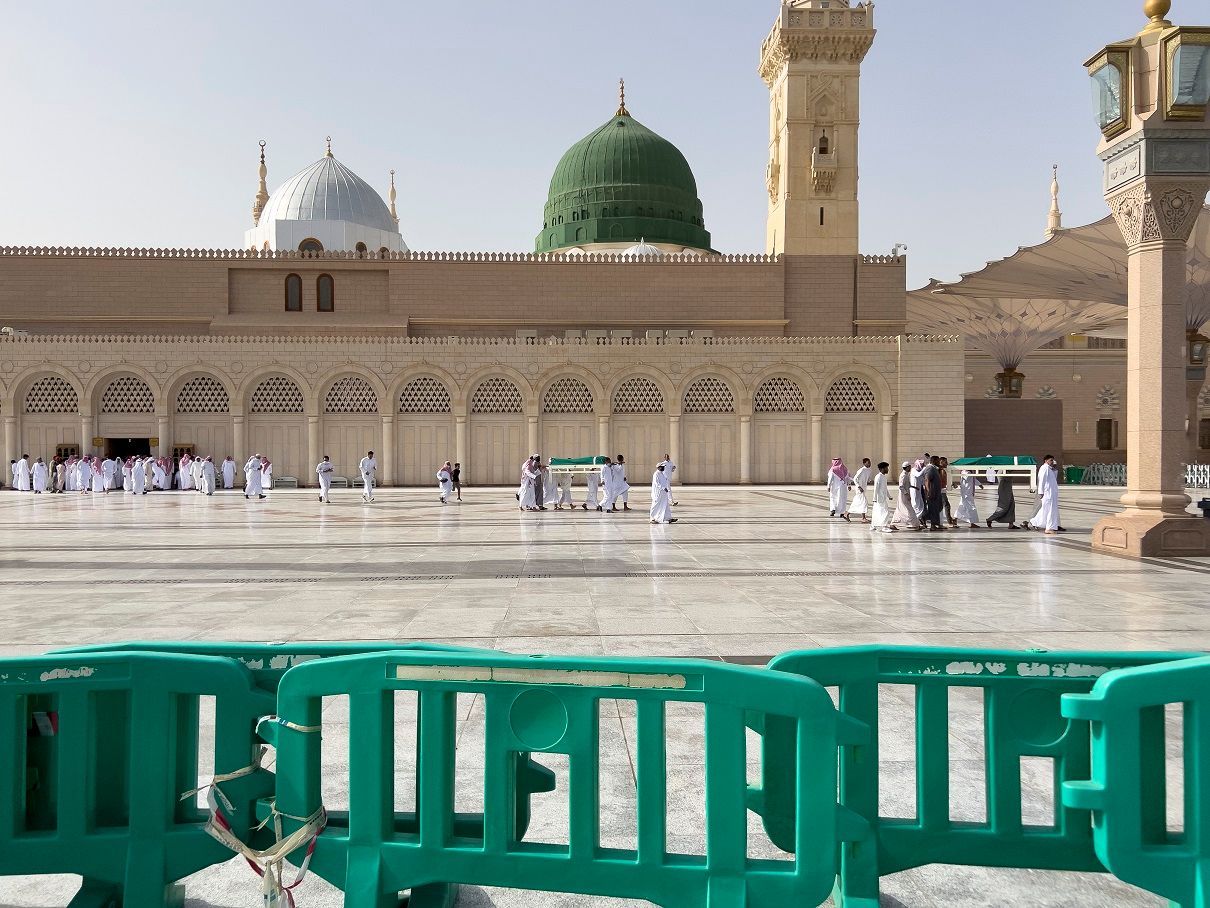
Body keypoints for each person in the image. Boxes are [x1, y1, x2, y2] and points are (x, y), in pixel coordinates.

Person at [1030, 454, 1061, 536]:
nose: (1052, 462)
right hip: (1048, 493)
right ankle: (1049, 528)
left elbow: (1054, 478)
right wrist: (1041, 492)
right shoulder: (1044, 468)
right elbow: (1041, 481)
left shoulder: (1050, 469)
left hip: (1052, 493)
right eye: (1050, 460)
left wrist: (1055, 468)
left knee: (1046, 510)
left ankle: (1035, 522)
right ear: (1046, 460)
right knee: (1050, 510)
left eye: (1052, 460)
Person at [889, 462, 923, 531]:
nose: (910, 468)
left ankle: (893, 523)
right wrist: (907, 495)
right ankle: (916, 524)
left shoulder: (907, 474)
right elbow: (901, 487)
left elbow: (907, 484)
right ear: (907, 467)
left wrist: (914, 487)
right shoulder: (903, 475)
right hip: (903, 495)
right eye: (909, 467)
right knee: (910, 509)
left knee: (901, 509)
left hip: (906, 494)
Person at [920, 456, 944, 530]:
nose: (938, 462)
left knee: (938, 507)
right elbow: (927, 480)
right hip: (932, 492)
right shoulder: (930, 468)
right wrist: (928, 491)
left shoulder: (934, 468)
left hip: (936, 492)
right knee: (933, 508)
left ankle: (926, 518)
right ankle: (931, 524)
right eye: (937, 461)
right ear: (934, 461)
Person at [870, 461, 895, 533]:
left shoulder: (883, 477)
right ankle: (884, 527)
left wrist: (889, 496)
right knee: (886, 512)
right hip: (879, 498)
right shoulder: (878, 477)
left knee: (877, 512)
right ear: (882, 469)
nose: (888, 469)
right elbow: (876, 488)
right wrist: (874, 498)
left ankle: (873, 526)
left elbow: (885, 488)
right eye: (886, 468)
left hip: (883, 498)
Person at [849, 458, 872, 523]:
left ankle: (847, 513)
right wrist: (859, 487)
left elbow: (868, 479)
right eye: (868, 462)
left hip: (864, 488)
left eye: (870, 462)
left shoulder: (869, 470)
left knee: (857, 502)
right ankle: (863, 518)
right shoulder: (861, 470)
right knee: (864, 502)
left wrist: (869, 481)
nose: (869, 464)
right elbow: (855, 479)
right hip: (859, 489)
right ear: (864, 463)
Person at [827, 457, 850, 521]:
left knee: (833, 498)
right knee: (842, 499)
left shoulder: (833, 469)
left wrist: (828, 486)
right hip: (843, 487)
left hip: (834, 486)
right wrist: (849, 485)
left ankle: (833, 510)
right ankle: (842, 512)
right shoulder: (845, 469)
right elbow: (848, 477)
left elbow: (830, 479)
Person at [939, 457, 956, 527]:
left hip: (942, 490)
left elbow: (945, 481)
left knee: (942, 506)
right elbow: (942, 481)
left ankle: (949, 520)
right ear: (941, 462)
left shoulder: (942, 470)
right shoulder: (941, 470)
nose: (947, 463)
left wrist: (950, 484)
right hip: (941, 491)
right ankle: (950, 522)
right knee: (946, 505)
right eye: (945, 462)